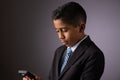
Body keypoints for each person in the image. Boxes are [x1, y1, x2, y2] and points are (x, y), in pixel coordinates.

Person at [23, 1, 105, 80]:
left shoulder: (94, 55)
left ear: (81, 28)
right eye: (57, 31)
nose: (60, 36)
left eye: (64, 30)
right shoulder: (59, 51)